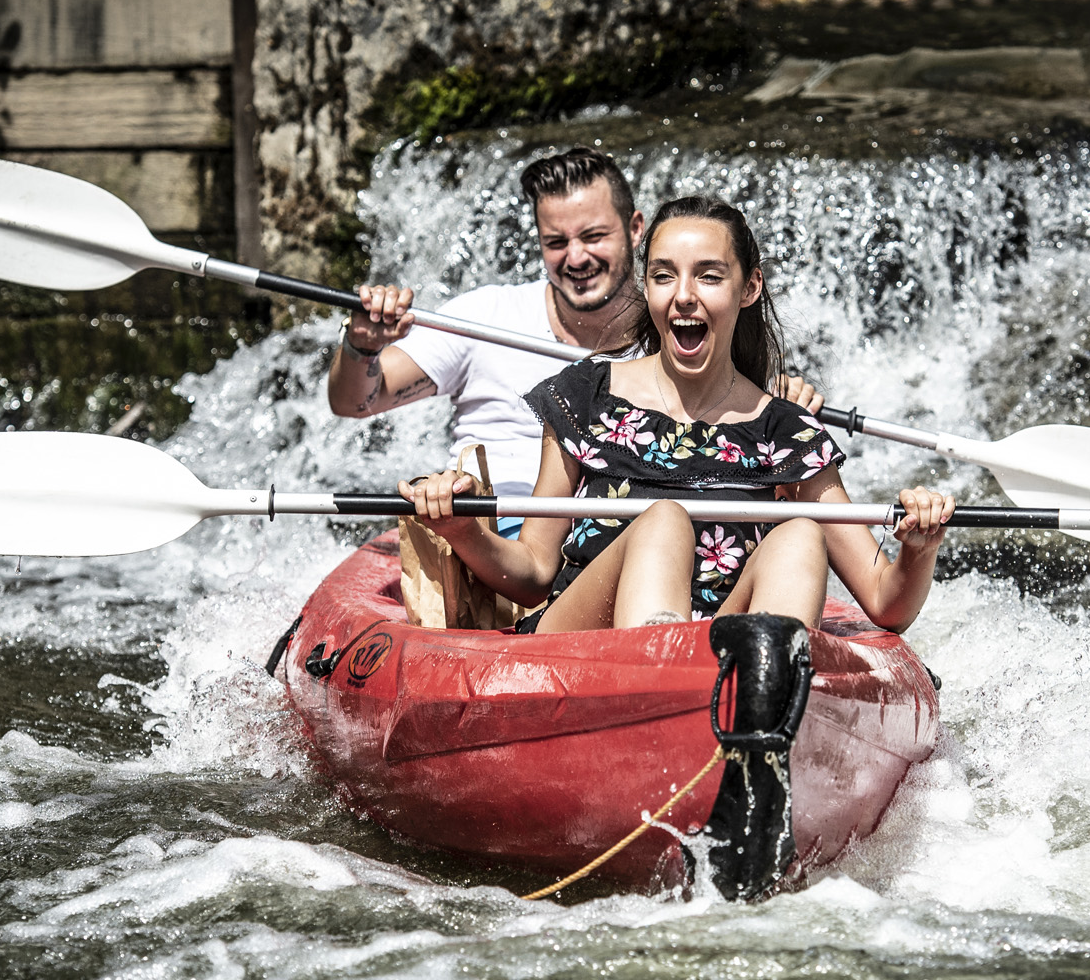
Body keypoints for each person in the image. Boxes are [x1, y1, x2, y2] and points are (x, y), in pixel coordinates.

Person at [397, 196, 955, 635]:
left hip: (715, 666)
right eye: (664, 275)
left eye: (708, 276)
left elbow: (886, 602)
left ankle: (756, 712)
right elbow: (533, 573)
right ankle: (654, 686)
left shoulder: (787, 434)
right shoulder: (584, 394)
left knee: (803, 535)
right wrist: (461, 529)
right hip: (581, 654)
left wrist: (919, 547)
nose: (683, 295)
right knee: (663, 519)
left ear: (749, 288)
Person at [327, 149, 820, 533]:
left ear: (635, 230)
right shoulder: (483, 316)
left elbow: (735, 415)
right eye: (556, 242)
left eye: (594, 236)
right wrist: (362, 346)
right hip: (500, 535)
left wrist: (779, 403)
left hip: (629, 538)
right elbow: (354, 402)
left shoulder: (684, 332)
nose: (576, 257)